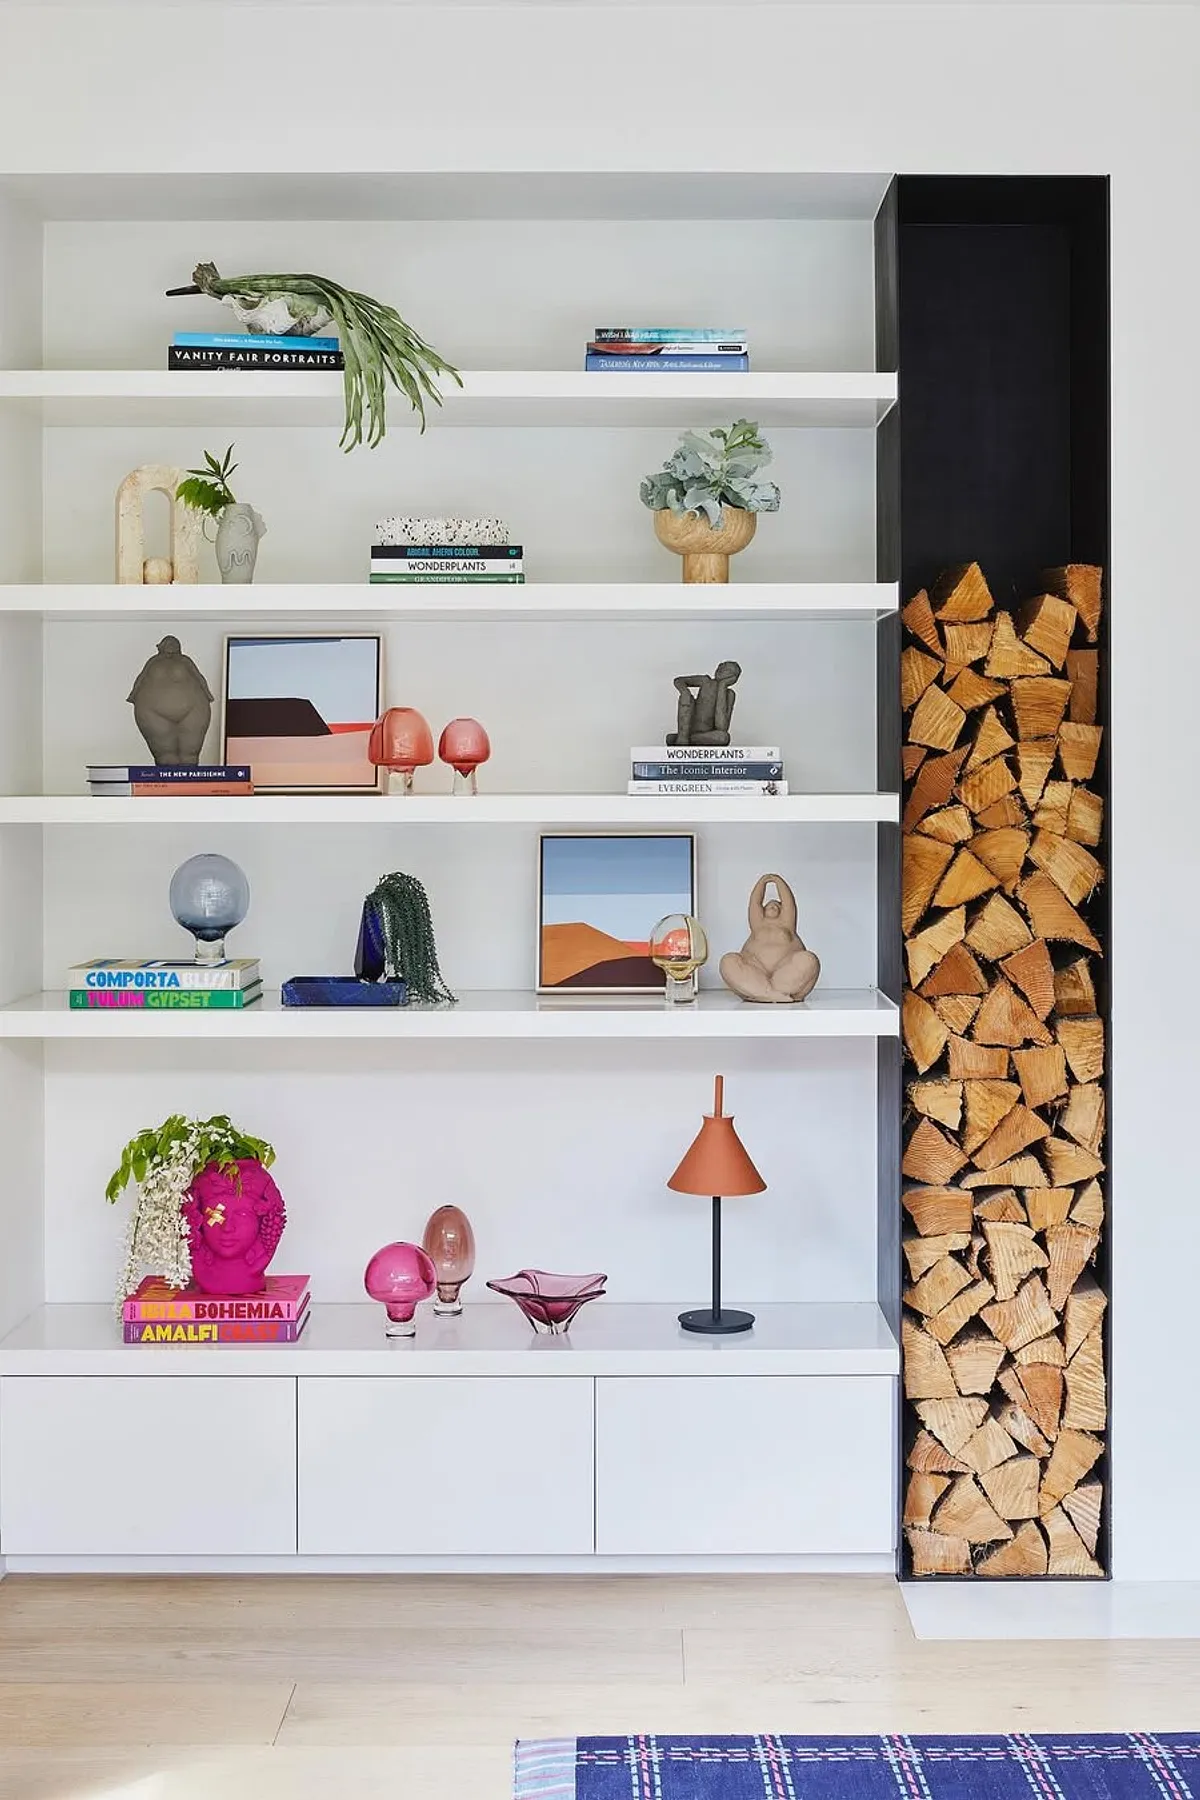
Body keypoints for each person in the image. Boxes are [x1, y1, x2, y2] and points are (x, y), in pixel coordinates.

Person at [719, 874, 820, 1004]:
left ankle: (767, 992)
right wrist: (764, 881)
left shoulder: (787, 925)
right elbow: (755, 902)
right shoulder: (758, 925)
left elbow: (789, 902)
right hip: (755, 971)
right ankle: (769, 993)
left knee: (809, 960)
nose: (773, 906)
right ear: (762, 911)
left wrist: (777, 880)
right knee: (728, 961)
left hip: (785, 973)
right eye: (769, 906)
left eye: (777, 906)